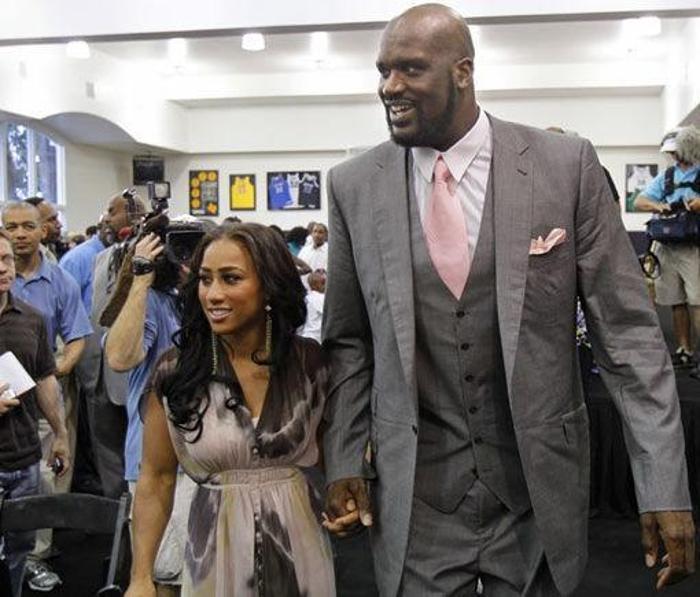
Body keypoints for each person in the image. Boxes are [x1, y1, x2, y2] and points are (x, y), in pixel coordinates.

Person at [321, 4, 695, 596]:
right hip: (417, 495)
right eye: (383, 70)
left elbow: (628, 337)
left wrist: (663, 485)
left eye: (410, 69)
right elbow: (348, 341)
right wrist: (343, 456)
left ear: (463, 71)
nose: (389, 86)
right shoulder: (353, 185)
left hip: (535, 491)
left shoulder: (564, 166)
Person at [126, 223, 334, 597]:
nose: (213, 294)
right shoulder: (176, 372)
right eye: (205, 279)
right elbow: (156, 479)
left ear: (269, 286)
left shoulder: (309, 364)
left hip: (300, 548)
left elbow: (332, 457)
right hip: (214, 552)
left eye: (231, 278)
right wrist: (141, 577)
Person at [0, 228, 70, 597]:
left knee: (19, 552)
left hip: (24, 459)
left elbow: (45, 378)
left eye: (6, 259)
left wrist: (60, 434)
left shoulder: (32, 318)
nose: (3, 268)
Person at [634, 126, 700, 373]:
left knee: (697, 302)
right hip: (667, 246)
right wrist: (660, 207)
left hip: (693, 248)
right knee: (675, 300)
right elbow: (640, 201)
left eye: (676, 151)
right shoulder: (668, 176)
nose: (673, 155)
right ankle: (684, 351)